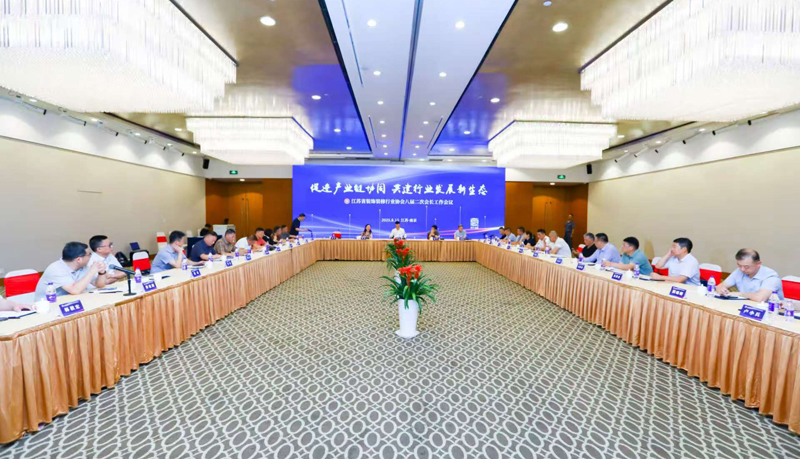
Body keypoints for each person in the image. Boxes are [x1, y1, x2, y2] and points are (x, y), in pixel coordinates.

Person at [35, 242, 109, 301]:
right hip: (49, 305)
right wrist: (92, 271)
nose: (90, 257)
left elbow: (99, 285)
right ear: (79, 259)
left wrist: (101, 272)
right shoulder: (56, 269)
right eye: (89, 255)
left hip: (73, 301)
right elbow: (75, 290)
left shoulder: (84, 266)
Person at [716, 249, 784, 302]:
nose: (742, 269)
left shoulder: (771, 277)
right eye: (739, 265)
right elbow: (720, 286)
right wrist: (722, 290)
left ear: (758, 264)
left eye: (746, 266)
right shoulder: (739, 271)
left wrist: (739, 294)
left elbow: (760, 298)